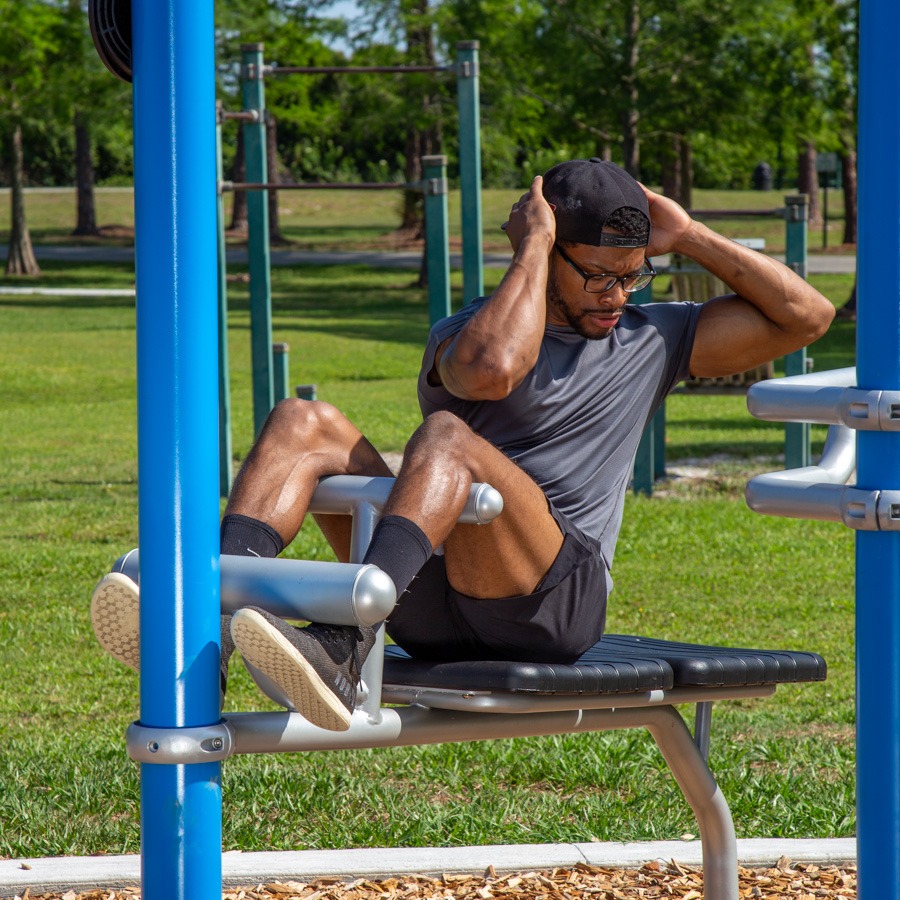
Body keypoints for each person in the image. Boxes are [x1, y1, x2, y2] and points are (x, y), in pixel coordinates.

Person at [91, 158, 835, 732]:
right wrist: (535, 246)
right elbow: (493, 368)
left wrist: (695, 236)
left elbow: (808, 315)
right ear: (546, 258)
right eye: (598, 277)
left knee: (447, 440)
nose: (616, 297)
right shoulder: (468, 333)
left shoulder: (656, 338)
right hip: (428, 592)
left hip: (551, 602)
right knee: (300, 420)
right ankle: (210, 625)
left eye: (632, 279)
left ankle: (347, 647)